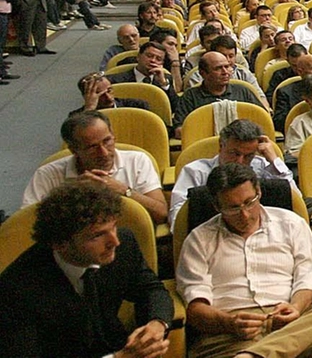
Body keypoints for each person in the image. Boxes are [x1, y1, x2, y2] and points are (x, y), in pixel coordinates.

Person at [177, 163, 312, 358]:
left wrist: (296, 308)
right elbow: (195, 309)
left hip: (289, 325)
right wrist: (229, 323)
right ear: (217, 206)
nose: (245, 215)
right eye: (233, 208)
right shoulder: (199, 239)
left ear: (259, 192)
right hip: (229, 335)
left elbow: (305, 279)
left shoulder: (291, 224)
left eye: (250, 202)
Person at [0, 182, 173, 358]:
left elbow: (151, 290)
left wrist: (157, 323)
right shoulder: (15, 289)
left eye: (113, 227)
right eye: (97, 235)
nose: (114, 241)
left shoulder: (123, 244)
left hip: (118, 344)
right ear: (60, 243)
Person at [24, 111, 168, 224]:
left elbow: (161, 214)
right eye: (92, 147)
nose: (104, 153)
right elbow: (26, 224)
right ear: (74, 150)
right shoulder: (47, 175)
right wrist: (72, 196)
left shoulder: (137, 161)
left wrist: (124, 191)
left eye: (107, 141)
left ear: (113, 136)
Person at [169, 118, 294, 229]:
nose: (240, 161)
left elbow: (295, 202)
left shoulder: (264, 166)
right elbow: (177, 220)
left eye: (248, 155)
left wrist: (274, 160)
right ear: (221, 146)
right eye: (234, 153)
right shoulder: (195, 171)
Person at [171, 51, 261, 134]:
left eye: (227, 67)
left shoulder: (243, 91)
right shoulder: (190, 96)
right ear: (203, 73)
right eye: (218, 68)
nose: (225, 72)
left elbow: (262, 120)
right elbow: (179, 130)